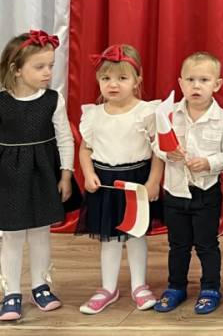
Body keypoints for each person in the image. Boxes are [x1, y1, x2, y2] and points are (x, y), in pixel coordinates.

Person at [77, 45, 164, 314]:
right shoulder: (93, 115)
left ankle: (139, 285)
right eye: (106, 78)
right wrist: (88, 173)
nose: (113, 84)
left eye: (122, 78)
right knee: (110, 239)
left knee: (136, 236)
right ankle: (108, 288)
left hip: (136, 181)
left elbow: (158, 151)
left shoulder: (147, 112)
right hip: (105, 183)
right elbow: (85, 149)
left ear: (137, 81)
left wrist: (153, 182)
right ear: (98, 80)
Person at [153, 51, 223, 316]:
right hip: (175, 191)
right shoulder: (169, 114)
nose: (196, 86)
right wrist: (167, 153)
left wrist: (209, 163)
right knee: (177, 245)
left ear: (217, 84)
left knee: (206, 244)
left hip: (206, 193)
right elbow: (156, 144)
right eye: (190, 80)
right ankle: (176, 286)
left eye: (204, 80)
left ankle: (210, 288)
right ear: (181, 83)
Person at [0, 31, 75, 322]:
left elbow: (65, 138)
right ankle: (11, 292)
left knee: (41, 234)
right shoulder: (2, 101)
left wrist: (66, 175)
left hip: (43, 174)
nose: (47, 72)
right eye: (40, 66)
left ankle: (40, 286)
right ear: (16, 69)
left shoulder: (53, 100)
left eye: (50, 66)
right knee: (12, 235)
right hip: (8, 176)